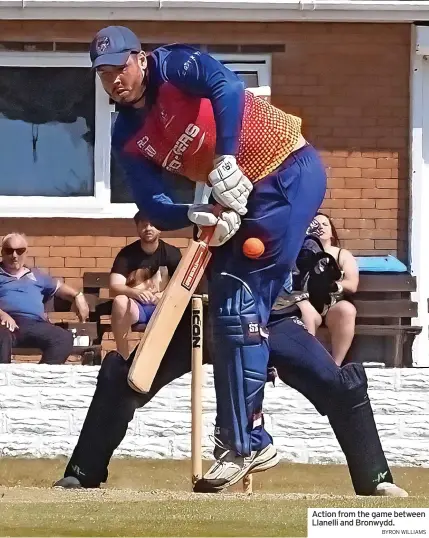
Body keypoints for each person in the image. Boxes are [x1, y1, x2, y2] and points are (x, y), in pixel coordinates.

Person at [86, 25, 327, 491]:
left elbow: (228, 87)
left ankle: (246, 441)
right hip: (244, 200)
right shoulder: (127, 136)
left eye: (120, 66)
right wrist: (193, 213)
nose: (115, 79)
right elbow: (153, 205)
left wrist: (228, 158)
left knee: (238, 303)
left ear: (140, 58)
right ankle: (240, 435)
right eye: (104, 73)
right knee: (228, 309)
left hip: (286, 168)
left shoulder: (174, 65)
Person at [53, 298, 407, 498]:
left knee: (341, 386)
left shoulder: (279, 198)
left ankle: (375, 480)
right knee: (124, 381)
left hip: (270, 319)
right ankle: (82, 474)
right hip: (199, 315)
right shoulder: (203, 190)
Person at [0, 233, 89, 364]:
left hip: (34, 324)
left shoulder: (37, 275)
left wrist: (78, 296)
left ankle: (41, 379)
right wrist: (2, 315)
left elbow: (60, 289)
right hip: (5, 325)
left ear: (26, 253)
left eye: (19, 251)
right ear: (2, 252)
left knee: (63, 338)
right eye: (9, 251)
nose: (14, 255)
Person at [109, 212, 182, 358]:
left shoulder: (172, 253)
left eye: (152, 224)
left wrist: (163, 295)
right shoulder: (126, 254)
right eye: (143, 225)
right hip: (137, 307)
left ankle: (164, 359)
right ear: (137, 228)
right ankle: (123, 356)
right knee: (119, 301)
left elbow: (182, 284)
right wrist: (135, 293)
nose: (148, 228)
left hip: (163, 307)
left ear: (160, 228)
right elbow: (114, 286)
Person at [296, 213, 359, 366]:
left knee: (347, 310)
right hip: (307, 301)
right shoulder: (299, 253)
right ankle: (307, 364)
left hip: (333, 303)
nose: (321, 228)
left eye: (325, 224)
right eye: (316, 225)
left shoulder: (341, 254)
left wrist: (335, 285)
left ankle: (335, 366)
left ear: (332, 232)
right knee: (304, 311)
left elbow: (352, 284)